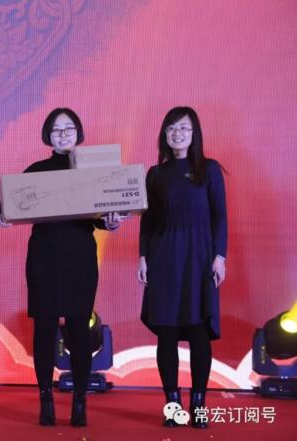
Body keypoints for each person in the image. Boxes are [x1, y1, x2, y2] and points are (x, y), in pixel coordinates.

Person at [0, 108, 124, 427]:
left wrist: (111, 221)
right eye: (57, 129)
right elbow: (0, 204)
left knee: (79, 328)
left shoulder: (93, 171)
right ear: (48, 136)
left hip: (80, 257)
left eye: (69, 128)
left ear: (79, 133)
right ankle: (46, 400)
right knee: (45, 328)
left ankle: (79, 402)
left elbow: (104, 215)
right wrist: (0, 215)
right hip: (44, 257)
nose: (63, 134)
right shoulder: (38, 170)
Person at [137, 106, 227, 429]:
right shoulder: (155, 174)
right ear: (165, 134)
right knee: (168, 334)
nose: (178, 134)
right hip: (164, 258)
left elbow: (220, 215)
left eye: (184, 128)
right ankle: (172, 404)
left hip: (200, 258)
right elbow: (147, 221)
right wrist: (143, 257)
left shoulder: (209, 169)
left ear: (194, 134)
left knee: (200, 332)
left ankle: (199, 403)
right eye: (172, 128)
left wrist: (220, 255)